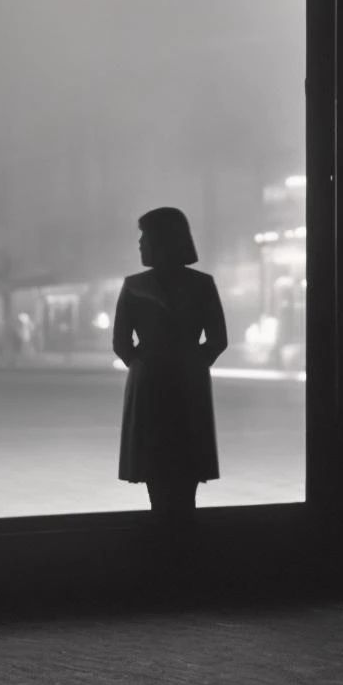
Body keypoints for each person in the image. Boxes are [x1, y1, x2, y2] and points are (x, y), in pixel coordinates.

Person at [113, 207, 228, 521]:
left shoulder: (135, 286)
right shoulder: (202, 285)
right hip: (186, 384)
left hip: (150, 382)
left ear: (163, 241)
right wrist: (193, 362)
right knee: (182, 461)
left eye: (145, 237)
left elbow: (122, 343)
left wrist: (143, 363)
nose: (140, 244)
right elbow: (217, 340)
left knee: (156, 461)